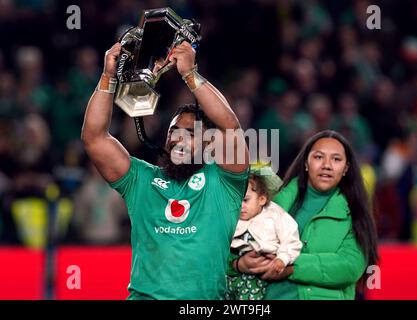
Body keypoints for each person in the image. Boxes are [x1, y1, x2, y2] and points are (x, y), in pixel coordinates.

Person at [81, 41, 249, 299]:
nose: (179, 138)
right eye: (174, 131)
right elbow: (94, 137)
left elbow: (230, 127)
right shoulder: (141, 180)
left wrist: (189, 75)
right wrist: (107, 77)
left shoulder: (225, 182)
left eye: (191, 133)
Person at [233, 130, 378, 300]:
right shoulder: (268, 203)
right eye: (318, 157)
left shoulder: (355, 213)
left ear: (346, 168)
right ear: (306, 163)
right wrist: (238, 264)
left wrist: (291, 267)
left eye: (336, 159)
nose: (327, 165)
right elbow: (225, 246)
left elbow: (349, 266)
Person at [226, 173, 302, 300]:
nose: (240, 206)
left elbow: (291, 240)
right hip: (230, 272)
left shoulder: (275, 215)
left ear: (262, 199)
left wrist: (282, 259)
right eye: (235, 200)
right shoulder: (230, 216)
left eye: (245, 200)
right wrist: (233, 263)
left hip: (258, 275)